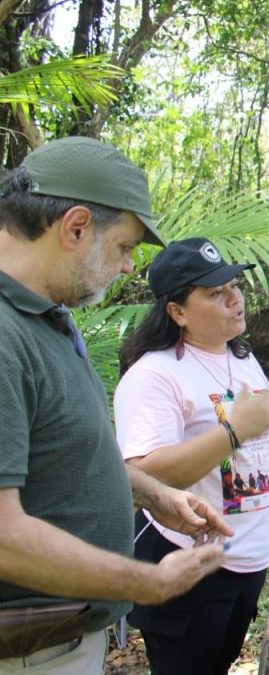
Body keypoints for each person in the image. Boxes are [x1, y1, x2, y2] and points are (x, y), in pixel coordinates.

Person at [0, 137, 231, 674]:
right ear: (76, 227)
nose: (128, 267)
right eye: (125, 247)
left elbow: (55, 453)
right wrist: (148, 581)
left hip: (58, 638)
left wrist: (153, 495)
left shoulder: (43, 317)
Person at [114, 238, 269, 675]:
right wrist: (234, 431)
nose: (235, 299)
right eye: (214, 293)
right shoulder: (154, 374)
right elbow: (144, 474)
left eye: (234, 285)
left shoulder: (243, 358)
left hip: (249, 559)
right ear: (177, 312)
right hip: (189, 562)